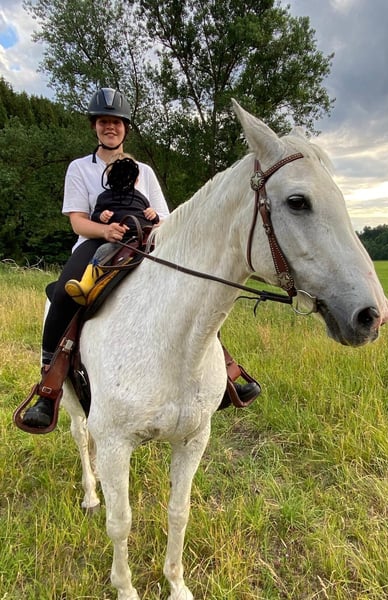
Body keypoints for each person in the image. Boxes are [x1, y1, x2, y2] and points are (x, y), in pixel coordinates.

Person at [22, 87, 260, 429]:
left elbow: (166, 219)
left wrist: (152, 219)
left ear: (125, 128)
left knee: (192, 292)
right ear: (94, 126)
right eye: (104, 121)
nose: (110, 127)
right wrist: (105, 230)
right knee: (63, 293)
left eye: (116, 122)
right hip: (96, 243)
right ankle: (49, 388)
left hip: (144, 243)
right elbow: (77, 221)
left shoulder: (144, 171)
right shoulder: (79, 168)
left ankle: (224, 372)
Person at [65, 153, 160, 305]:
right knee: (103, 251)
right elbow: (94, 216)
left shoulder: (141, 197)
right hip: (117, 240)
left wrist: (152, 214)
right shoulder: (104, 197)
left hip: (143, 240)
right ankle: (86, 283)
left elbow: (157, 220)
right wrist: (102, 219)